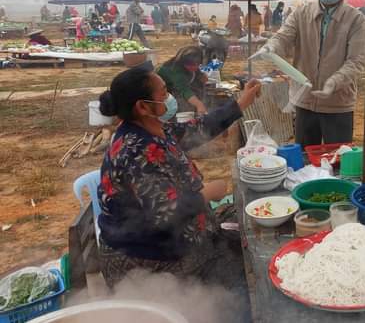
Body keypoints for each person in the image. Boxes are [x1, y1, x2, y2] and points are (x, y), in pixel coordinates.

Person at [96, 67, 261, 287]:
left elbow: (198, 128)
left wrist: (241, 103)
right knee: (243, 273)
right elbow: (165, 213)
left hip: (173, 237)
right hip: (148, 259)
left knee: (241, 232)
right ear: (142, 106)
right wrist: (207, 193)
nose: (170, 97)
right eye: (164, 92)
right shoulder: (136, 149)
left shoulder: (153, 128)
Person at [260, 0, 365, 146]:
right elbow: (283, 37)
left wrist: (334, 82)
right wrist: (271, 46)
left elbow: (357, 61)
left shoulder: (356, 20)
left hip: (338, 104)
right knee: (305, 155)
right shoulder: (301, 13)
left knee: (337, 157)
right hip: (304, 100)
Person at [157, 46, 209, 115]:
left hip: (177, 89)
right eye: (191, 65)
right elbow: (184, 90)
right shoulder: (174, 70)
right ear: (182, 62)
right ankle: (183, 114)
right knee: (183, 98)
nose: (195, 67)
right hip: (163, 96)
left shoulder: (187, 65)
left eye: (198, 64)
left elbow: (195, 71)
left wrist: (200, 75)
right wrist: (199, 104)